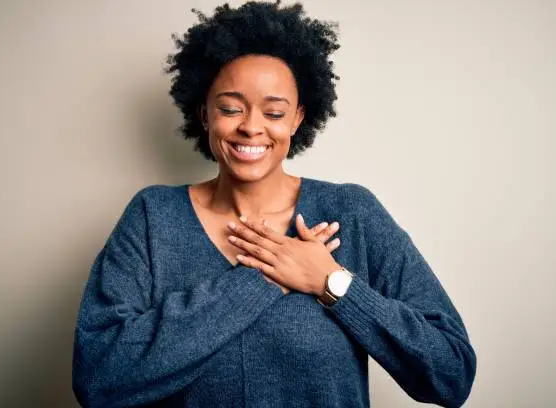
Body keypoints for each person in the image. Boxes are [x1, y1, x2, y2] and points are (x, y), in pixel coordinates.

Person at [72, 1, 477, 407]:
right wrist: (260, 280)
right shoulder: (153, 218)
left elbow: (451, 372)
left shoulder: (350, 212)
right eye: (231, 108)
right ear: (205, 113)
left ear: (298, 119)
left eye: (274, 111)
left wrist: (332, 283)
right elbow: (99, 377)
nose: (251, 125)